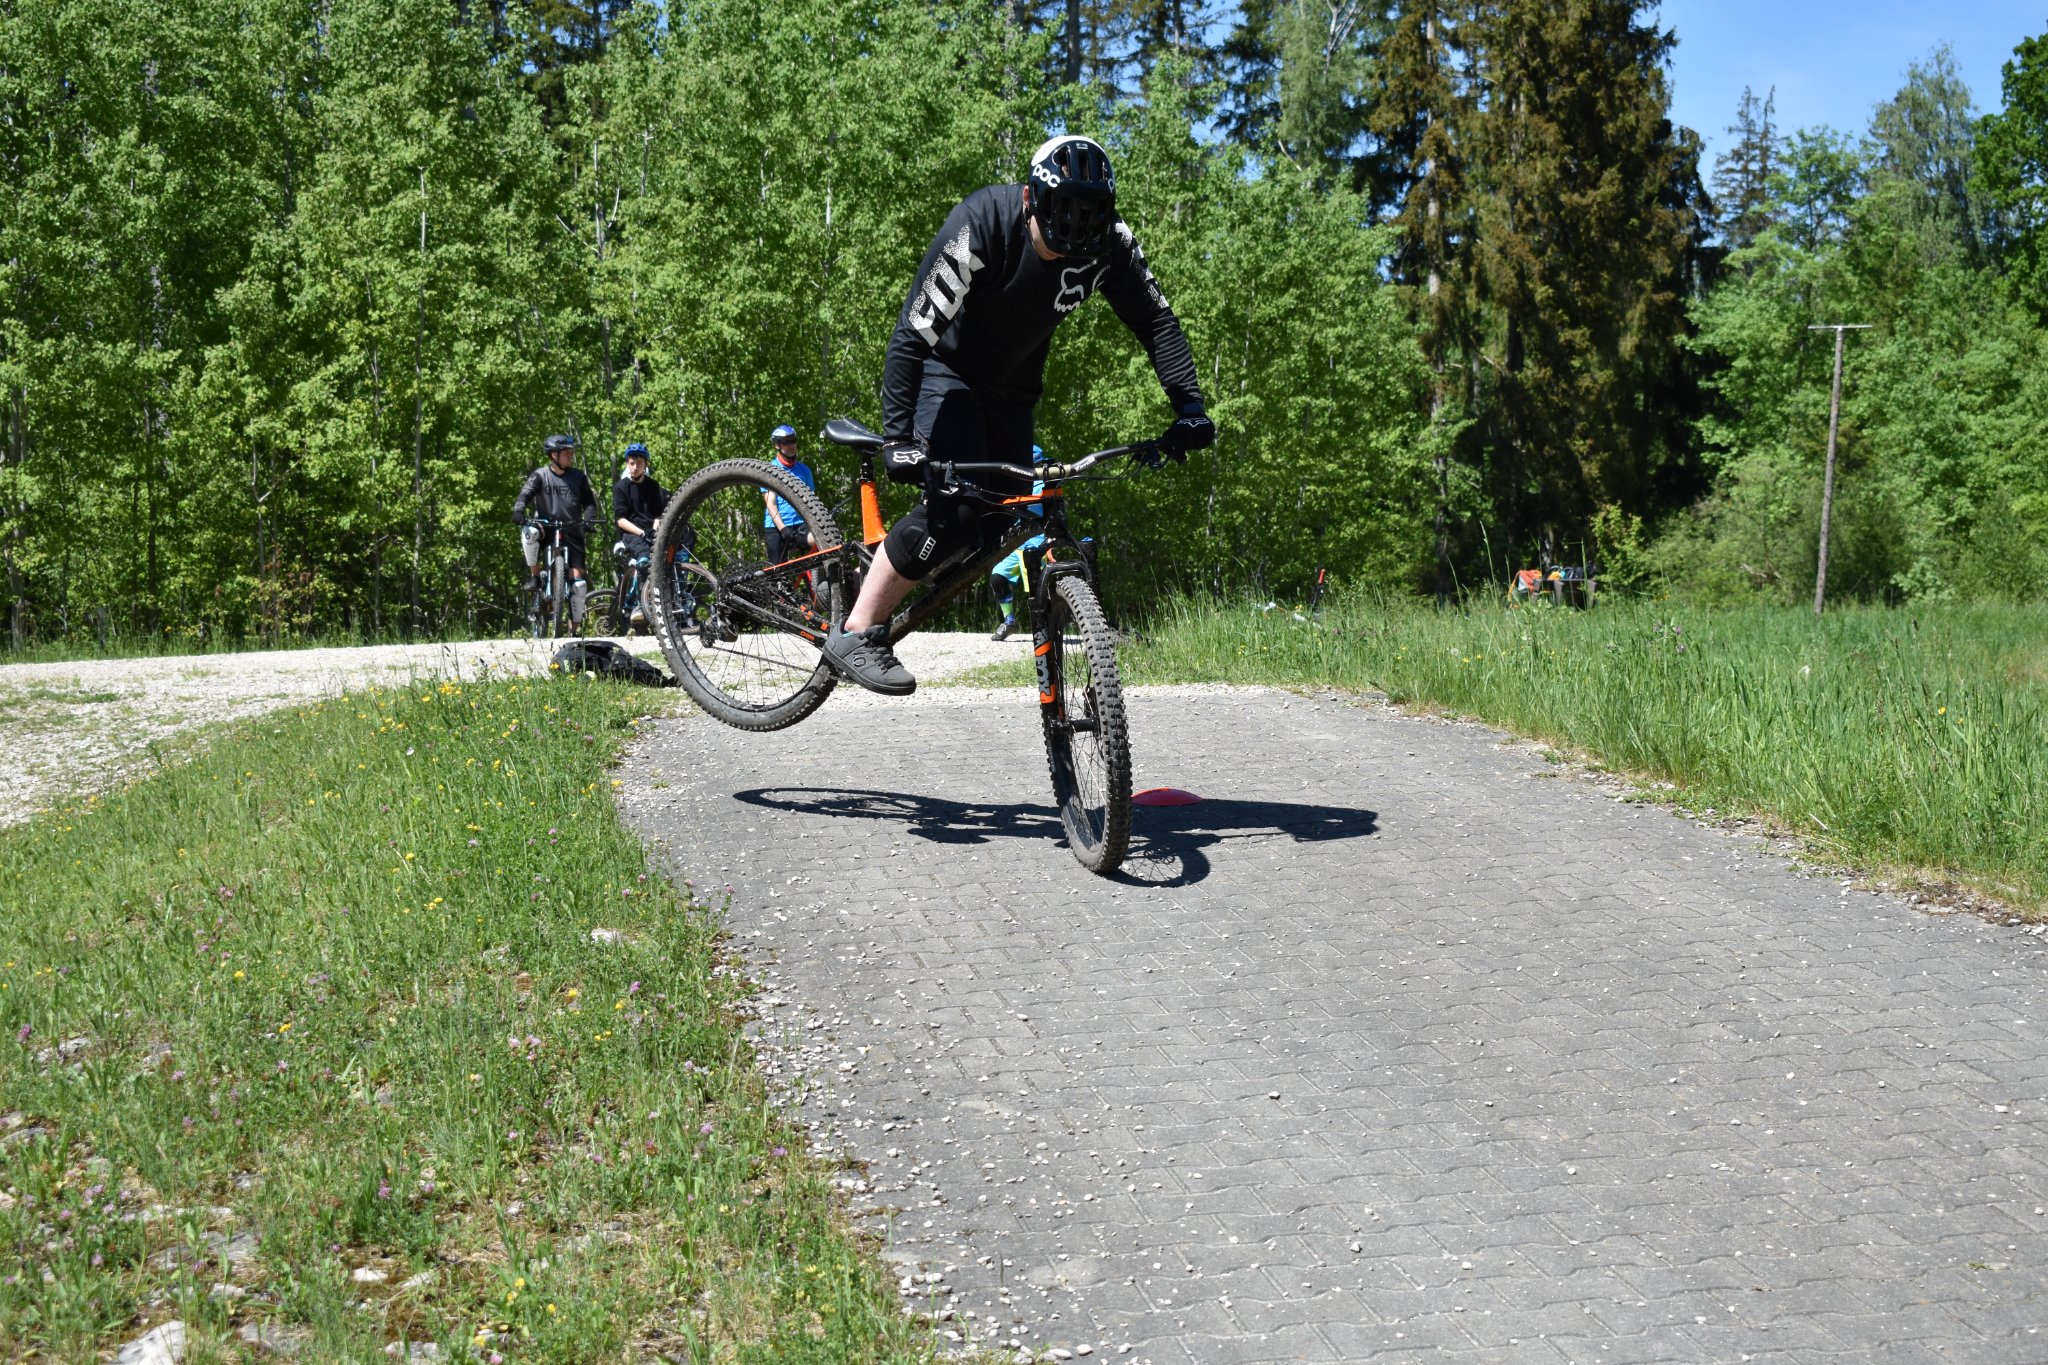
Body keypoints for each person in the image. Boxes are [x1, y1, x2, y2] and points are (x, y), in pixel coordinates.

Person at [820, 134, 1214, 695]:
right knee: (954, 513)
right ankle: (858, 630)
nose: (1064, 256)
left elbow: (1156, 323)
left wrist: (1189, 408)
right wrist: (897, 438)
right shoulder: (982, 222)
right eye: (1054, 243)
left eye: (1080, 245)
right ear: (1031, 200)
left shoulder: (1113, 244)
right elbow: (912, 334)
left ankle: (884, 571)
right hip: (946, 373)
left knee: (1005, 515)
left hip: (1015, 389)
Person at [512, 433, 599, 627]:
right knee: (530, 533)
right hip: (545, 526)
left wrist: (589, 520)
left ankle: (573, 629)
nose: (571, 455)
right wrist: (519, 510)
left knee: (580, 585)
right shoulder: (540, 475)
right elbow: (524, 495)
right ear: (554, 455)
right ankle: (535, 576)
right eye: (567, 452)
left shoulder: (579, 477)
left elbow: (590, 504)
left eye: (571, 452)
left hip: (572, 529)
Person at [988, 445, 1049, 640]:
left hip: (1037, 544)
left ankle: (1047, 628)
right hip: (1016, 544)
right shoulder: (1013, 484)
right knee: (997, 577)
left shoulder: (1046, 484)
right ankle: (1009, 622)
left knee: (1037, 589)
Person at [612, 442, 667, 626]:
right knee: (644, 561)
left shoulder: (653, 486)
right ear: (627, 464)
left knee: (666, 562)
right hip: (631, 533)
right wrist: (642, 533)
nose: (635, 467)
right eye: (631, 463)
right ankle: (638, 605)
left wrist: (656, 529)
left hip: (651, 531)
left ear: (646, 464)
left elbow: (658, 514)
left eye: (639, 463)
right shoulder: (621, 487)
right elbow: (620, 520)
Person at [762, 424, 817, 563]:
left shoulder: (804, 470)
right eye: (787, 442)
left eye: (793, 440)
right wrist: (783, 529)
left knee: (819, 540)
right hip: (776, 526)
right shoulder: (771, 470)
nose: (792, 445)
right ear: (777, 445)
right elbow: (771, 503)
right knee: (777, 572)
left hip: (800, 525)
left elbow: (812, 502)